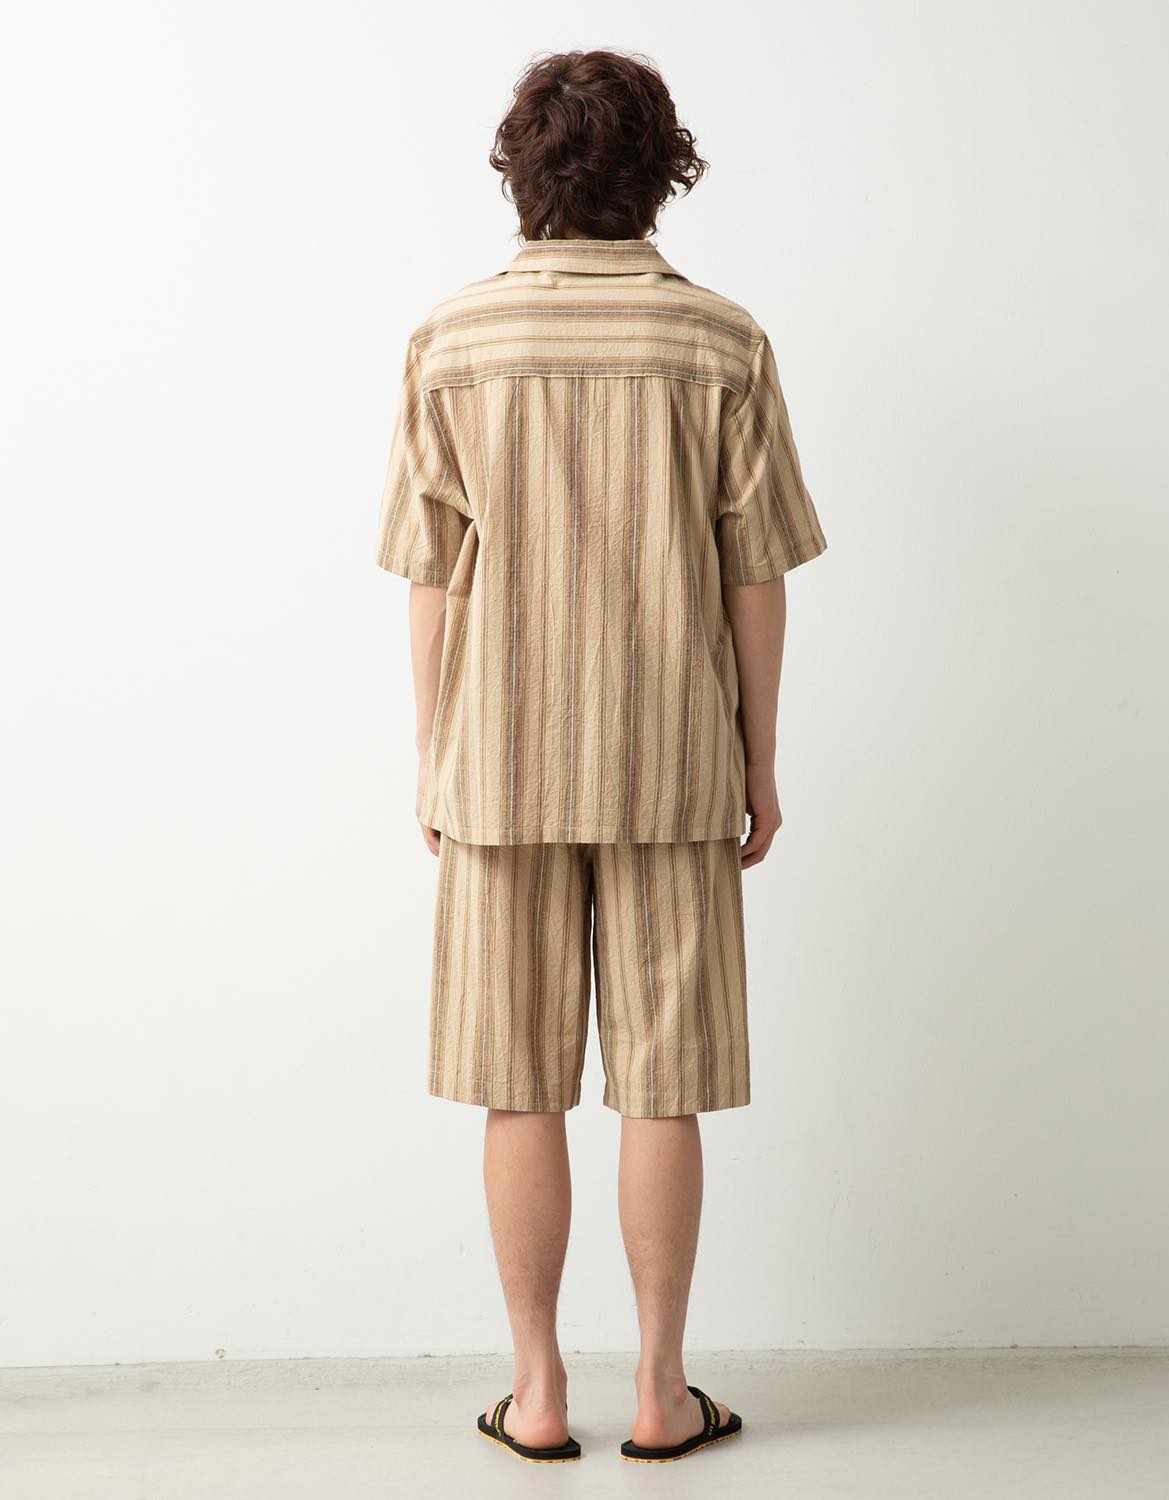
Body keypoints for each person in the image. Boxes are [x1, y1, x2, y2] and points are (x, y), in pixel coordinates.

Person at [374, 48, 827, 1465]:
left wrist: (435, 753)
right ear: (660, 172)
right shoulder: (721, 343)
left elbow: (430, 574)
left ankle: (535, 1394)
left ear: (521, 172)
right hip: (673, 758)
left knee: (518, 1083)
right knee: (661, 1085)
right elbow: (757, 575)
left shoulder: (452, 339)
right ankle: (662, 1393)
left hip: (499, 764)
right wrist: (758, 761)